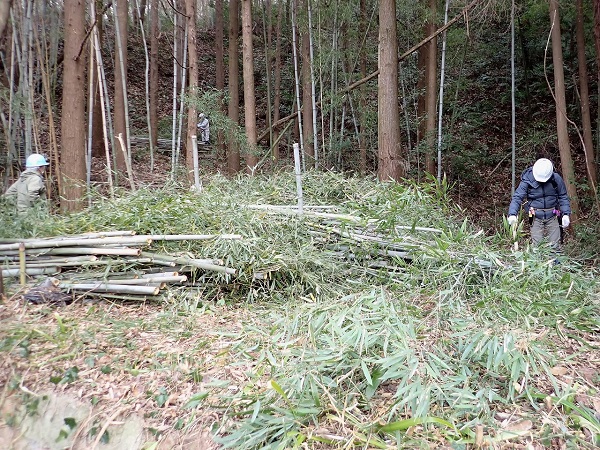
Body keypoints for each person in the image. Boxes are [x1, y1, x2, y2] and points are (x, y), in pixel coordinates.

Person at [507, 158, 571, 248]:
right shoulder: (527, 180)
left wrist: (566, 214)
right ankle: (539, 261)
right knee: (537, 246)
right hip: (534, 214)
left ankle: (555, 261)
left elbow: (563, 196)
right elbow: (517, 197)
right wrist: (512, 214)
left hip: (553, 214)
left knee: (555, 246)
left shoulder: (556, 179)